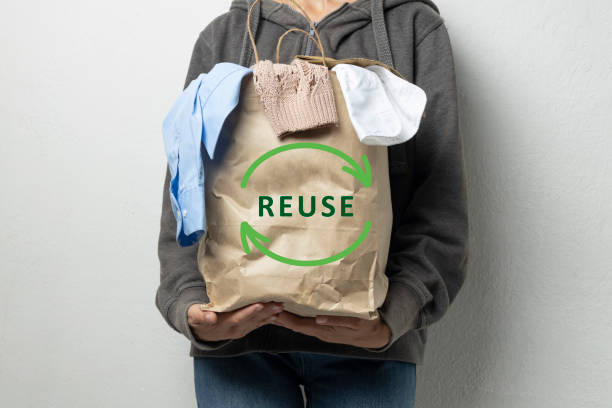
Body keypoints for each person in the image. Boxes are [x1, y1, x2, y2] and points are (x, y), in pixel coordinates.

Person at [156, 0, 469, 406]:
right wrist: (191, 307)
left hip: (367, 350)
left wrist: (394, 317)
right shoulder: (227, 36)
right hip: (238, 352)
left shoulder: (412, 29)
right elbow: (185, 190)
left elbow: (439, 199)